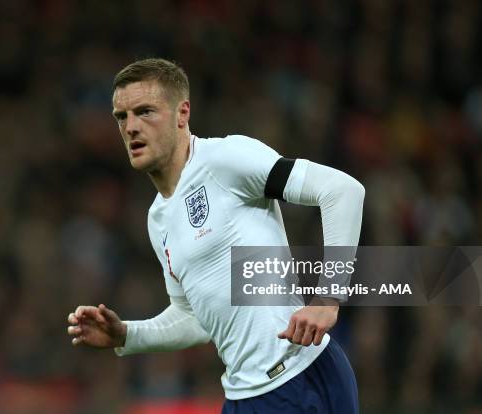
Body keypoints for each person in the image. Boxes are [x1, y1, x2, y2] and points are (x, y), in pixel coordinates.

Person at [67, 58, 364, 413]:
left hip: (300, 382)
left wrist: (328, 299)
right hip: (242, 397)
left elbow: (342, 191)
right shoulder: (157, 219)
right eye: (121, 116)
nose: (131, 127)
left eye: (145, 112)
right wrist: (128, 335)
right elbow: (194, 317)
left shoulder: (225, 160)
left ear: (182, 114)